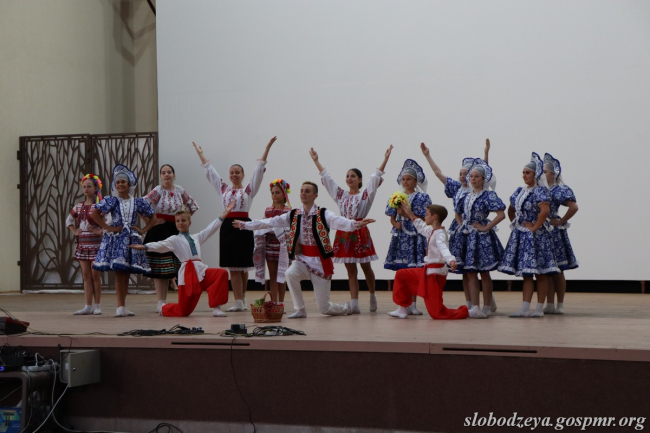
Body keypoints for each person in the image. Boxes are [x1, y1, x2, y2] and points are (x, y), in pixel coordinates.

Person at [233, 181, 375, 318]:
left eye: (307, 191)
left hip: (320, 263)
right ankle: (300, 309)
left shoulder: (323, 214)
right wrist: (245, 225)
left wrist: (357, 224)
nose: (303, 193)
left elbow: (340, 221)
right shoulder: (294, 214)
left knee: (324, 308)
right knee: (290, 273)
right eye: (301, 191)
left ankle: (346, 308)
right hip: (302, 260)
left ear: (315, 195)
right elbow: (270, 222)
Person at [193, 137, 276, 312]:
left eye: (237, 172)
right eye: (231, 172)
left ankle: (240, 300)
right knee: (234, 267)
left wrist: (267, 148)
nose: (234, 175)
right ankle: (239, 301)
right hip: (228, 228)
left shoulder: (248, 190)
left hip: (244, 226)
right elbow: (211, 172)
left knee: (242, 267)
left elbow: (258, 172)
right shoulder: (223, 189)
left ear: (243, 175)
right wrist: (201, 154)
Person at [309, 144, 393, 313]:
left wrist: (385, 159)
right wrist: (316, 161)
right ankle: (354, 304)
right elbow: (328, 179)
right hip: (344, 232)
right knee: (351, 270)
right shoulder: (341, 195)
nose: (349, 178)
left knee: (366, 267)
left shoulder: (365, 195)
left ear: (359, 180)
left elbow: (375, 178)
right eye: (347, 176)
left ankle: (372, 294)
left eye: (353, 176)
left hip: (360, 232)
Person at [420, 140, 497, 312]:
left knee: (481, 268)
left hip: (475, 229)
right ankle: (471, 304)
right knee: (465, 268)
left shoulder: (475, 188)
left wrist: (486, 154)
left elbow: (484, 170)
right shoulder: (456, 188)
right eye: (460, 173)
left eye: (466, 173)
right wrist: (427, 155)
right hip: (460, 230)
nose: (462, 176)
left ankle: (487, 302)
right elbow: (438, 173)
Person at [130, 203, 234, 317]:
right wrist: (144, 246)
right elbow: (160, 245)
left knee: (221, 273)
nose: (180, 223)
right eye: (177, 221)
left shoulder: (197, 237)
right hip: (188, 275)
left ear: (189, 223)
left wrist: (225, 213)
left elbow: (211, 228)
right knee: (183, 311)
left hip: (201, 272)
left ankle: (217, 308)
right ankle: (164, 308)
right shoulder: (174, 239)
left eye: (183, 220)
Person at [498, 153, 560, 317]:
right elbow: (511, 209)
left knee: (540, 272)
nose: (524, 175)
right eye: (523, 172)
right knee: (526, 273)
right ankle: (525, 308)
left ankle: (539, 308)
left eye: (528, 173)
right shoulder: (520, 191)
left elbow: (544, 211)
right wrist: (517, 224)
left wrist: (534, 227)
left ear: (535, 175)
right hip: (523, 235)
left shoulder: (540, 191)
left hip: (537, 237)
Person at [91, 164, 157, 317]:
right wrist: (108, 227)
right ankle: (119, 307)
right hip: (117, 240)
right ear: (115, 185)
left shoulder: (137, 202)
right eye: (118, 182)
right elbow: (94, 214)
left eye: (123, 182)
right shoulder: (112, 200)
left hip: (131, 239)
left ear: (129, 184)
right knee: (120, 273)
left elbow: (153, 218)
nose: (120, 185)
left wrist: (143, 230)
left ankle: (122, 306)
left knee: (126, 273)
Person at [388, 202, 468, 320]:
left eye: (426, 214)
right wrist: (409, 213)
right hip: (427, 272)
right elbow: (421, 227)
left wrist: (451, 260)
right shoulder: (434, 231)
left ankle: (464, 312)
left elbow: (443, 248)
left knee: (436, 313)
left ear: (434, 217)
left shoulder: (440, 234)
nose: (424, 217)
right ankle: (402, 309)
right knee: (402, 275)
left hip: (434, 275)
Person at [454, 158, 505, 318]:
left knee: (484, 272)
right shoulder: (465, 195)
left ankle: (487, 306)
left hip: (482, 238)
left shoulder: (488, 195)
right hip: (467, 236)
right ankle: (474, 306)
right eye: (471, 176)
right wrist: (462, 225)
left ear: (483, 179)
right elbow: (457, 212)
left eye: (476, 176)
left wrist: (485, 227)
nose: (473, 179)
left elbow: (501, 214)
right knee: (470, 272)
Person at [144, 164, 199, 313]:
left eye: (169, 172)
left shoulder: (179, 190)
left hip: (175, 230)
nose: (166, 175)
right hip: (159, 230)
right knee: (160, 267)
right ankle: (161, 302)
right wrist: (151, 222)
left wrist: (183, 220)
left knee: (177, 265)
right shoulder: (158, 190)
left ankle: (183, 300)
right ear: (160, 176)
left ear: (174, 175)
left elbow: (193, 205)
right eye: (163, 172)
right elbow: (142, 205)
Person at [384, 159, 431, 315]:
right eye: (403, 179)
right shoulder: (397, 196)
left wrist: (407, 215)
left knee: (413, 271)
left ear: (415, 181)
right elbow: (392, 217)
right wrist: (395, 223)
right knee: (402, 270)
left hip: (415, 237)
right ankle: (403, 304)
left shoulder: (422, 198)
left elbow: (425, 218)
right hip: (400, 237)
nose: (405, 182)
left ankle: (413, 304)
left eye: (408, 179)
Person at [543, 153, 579, 314]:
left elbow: (573, 207)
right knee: (548, 270)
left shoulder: (559, 189)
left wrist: (561, 220)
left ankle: (560, 304)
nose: (542, 175)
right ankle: (550, 303)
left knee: (558, 270)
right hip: (543, 231)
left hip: (554, 233)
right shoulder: (541, 189)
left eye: (545, 172)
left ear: (553, 173)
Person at [65, 174, 104, 315]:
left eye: (89, 186)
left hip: (96, 245)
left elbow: (110, 221)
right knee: (86, 275)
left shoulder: (100, 206)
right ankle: (88, 305)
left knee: (95, 275)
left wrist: (100, 231)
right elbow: (68, 220)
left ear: (96, 188)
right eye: (84, 187)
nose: (86, 189)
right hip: (83, 244)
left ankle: (97, 305)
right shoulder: (79, 206)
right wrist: (75, 231)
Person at [253, 179, 292, 303]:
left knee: (282, 275)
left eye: (277, 192)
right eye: (273, 193)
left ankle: (281, 302)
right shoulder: (268, 210)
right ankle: (274, 302)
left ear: (284, 194)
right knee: (273, 275)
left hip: (283, 247)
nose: (274, 195)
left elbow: (291, 229)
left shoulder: (289, 211)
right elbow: (263, 225)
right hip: (270, 246)